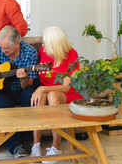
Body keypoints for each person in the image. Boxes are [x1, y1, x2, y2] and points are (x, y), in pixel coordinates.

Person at [0, 25, 39, 158]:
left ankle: (26, 141)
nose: (2, 50)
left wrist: (23, 78)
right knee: (1, 101)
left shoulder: (30, 53)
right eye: (1, 47)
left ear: (17, 44)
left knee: (30, 95)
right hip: (2, 91)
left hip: (22, 89)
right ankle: (14, 145)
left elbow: (28, 85)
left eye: (5, 48)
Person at [30, 26, 83, 164]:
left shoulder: (72, 55)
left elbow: (66, 87)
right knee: (40, 96)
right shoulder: (43, 51)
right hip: (46, 91)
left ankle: (56, 147)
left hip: (68, 94)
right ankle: (36, 146)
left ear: (55, 45)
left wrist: (42, 88)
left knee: (52, 95)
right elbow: (40, 69)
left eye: (45, 43)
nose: (42, 46)